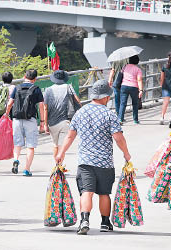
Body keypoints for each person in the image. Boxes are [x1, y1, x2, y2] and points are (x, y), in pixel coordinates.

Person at [55, 79, 131, 235]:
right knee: (104, 193)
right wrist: (126, 153)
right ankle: (104, 222)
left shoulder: (80, 112)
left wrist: (61, 153)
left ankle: (84, 220)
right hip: (105, 162)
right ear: (105, 97)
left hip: (85, 161)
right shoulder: (109, 114)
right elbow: (118, 138)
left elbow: (70, 136)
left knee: (86, 192)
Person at [5, 69, 45, 177]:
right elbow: (41, 106)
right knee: (30, 146)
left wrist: (6, 114)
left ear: (24, 76)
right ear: (35, 79)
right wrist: (42, 122)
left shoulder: (17, 88)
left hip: (17, 119)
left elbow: (10, 103)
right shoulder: (36, 89)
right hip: (30, 120)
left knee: (17, 143)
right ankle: (27, 169)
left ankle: (16, 159)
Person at [43, 70, 81, 160]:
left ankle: (56, 166)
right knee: (61, 146)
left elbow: (45, 108)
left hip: (52, 123)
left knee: (55, 145)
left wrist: (45, 124)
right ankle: (59, 167)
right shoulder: (68, 87)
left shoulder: (48, 90)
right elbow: (78, 101)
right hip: (65, 121)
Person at [118, 55, 143, 124]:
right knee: (135, 104)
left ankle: (120, 119)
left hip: (124, 86)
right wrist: (141, 90)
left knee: (123, 103)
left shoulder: (124, 67)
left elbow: (121, 75)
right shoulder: (138, 69)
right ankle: (135, 120)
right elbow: (139, 80)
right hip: (134, 87)